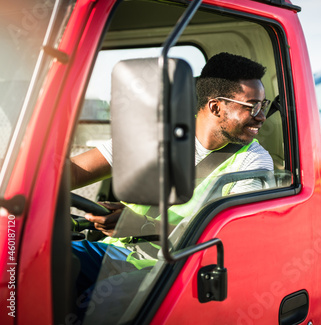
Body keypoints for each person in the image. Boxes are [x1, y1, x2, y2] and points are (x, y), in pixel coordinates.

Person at [70, 52, 274, 302]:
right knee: (31, 259)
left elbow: (232, 240)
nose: (261, 116)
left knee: (94, 304)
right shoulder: (153, 135)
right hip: (115, 250)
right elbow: (72, 172)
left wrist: (138, 224)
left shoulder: (253, 161)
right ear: (215, 106)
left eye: (263, 105)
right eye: (252, 106)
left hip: (172, 268)